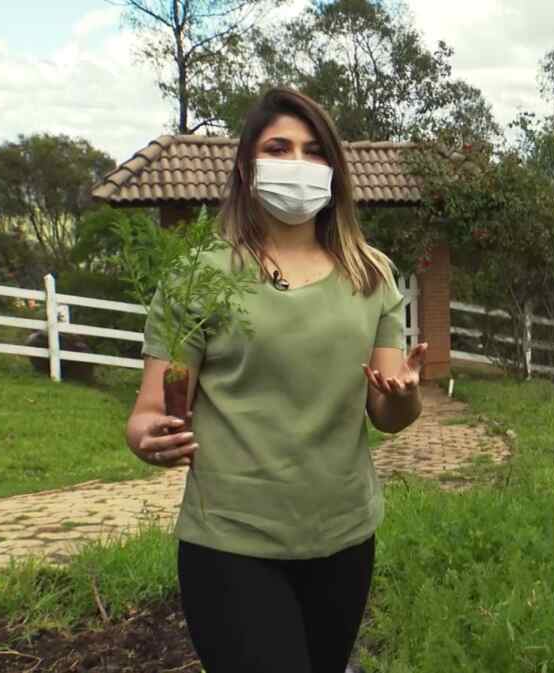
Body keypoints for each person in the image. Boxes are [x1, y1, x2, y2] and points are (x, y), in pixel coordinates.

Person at [125, 87, 427, 673]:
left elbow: (388, 413)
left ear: (334, 171)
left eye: (314, 151)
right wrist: (149, 436)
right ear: (246, 166)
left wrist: (405, 398)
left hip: (344, 537)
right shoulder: (199, 278)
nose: (297, 164)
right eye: (278, 147)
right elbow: (146, 412)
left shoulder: (371, 275)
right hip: (231, 544)